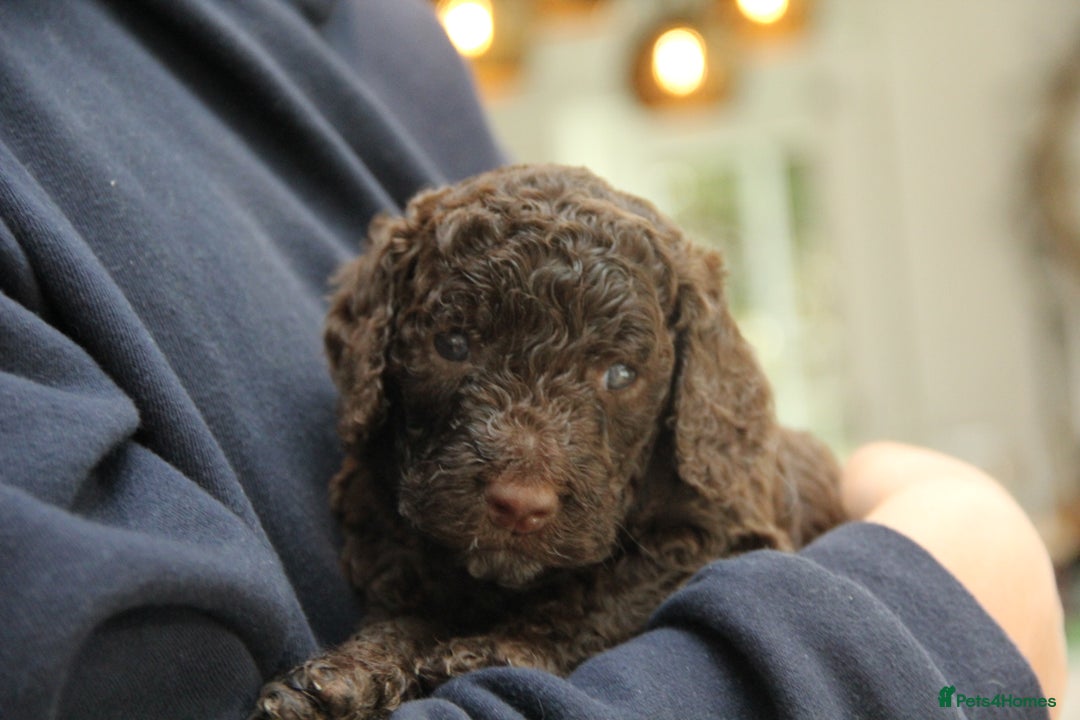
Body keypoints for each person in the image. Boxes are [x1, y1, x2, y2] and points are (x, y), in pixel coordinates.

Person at [0, 1, 1064, 719]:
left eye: (615, 377)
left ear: (687, 390)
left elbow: (701, 570)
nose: (524, 476)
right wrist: (936, 618)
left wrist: (542, 647)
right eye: (457, 345)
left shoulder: (384, 29)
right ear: (376, 353)